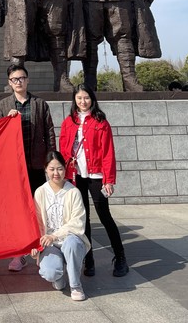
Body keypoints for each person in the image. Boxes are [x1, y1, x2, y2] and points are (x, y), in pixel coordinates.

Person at [59, 84, 129, 277]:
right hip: (76, 175)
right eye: (79, 98)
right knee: (83, 219)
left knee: (104, 216)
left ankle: (120, 257)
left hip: (96, 175)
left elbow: (108, 152)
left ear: (92, 99)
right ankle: (89, 260)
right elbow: (63, 147)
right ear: (74, 100)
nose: (83, 101)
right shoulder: (69, 122)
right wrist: (65, 169)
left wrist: (109, 180)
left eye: (86, 98)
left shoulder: (100, 122)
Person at [0, 64, 56, 272]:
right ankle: (19, 254)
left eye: (21, 78)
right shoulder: (3, 105)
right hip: (14, 168)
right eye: (14, 79)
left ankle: (42, 250)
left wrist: (51, 162)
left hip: (36, 165)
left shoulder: (40, 104)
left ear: (27, 80)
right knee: (18, 211)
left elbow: (49, 133)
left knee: (39, 209)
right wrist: (6, 120)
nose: (18, 82)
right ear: (9, 83)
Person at [31, 151, 90, 301]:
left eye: (59, 169)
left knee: (71, 244)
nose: (56, 173)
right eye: (52, 169)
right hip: (49, 244)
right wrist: (34, 244)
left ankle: (75, 285)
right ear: (45, 169)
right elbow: (36, 222)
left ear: (65, 169)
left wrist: (54, 235)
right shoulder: (40, 192)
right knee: (50, 273)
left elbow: (78, 222)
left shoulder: (73, 192)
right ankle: (58, 277)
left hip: (70, 240)